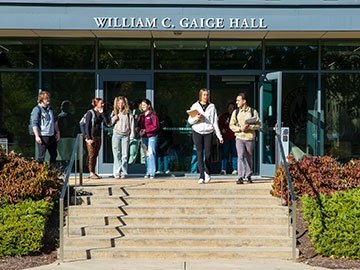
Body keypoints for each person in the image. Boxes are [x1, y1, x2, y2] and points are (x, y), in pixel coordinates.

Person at [187, 88, 223, 184]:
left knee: (208, 154)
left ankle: (207, 171)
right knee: (199, 153)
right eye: (204, 95)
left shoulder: (212, 106)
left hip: (208, 131)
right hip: (197, 131)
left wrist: (219, 136)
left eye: (207, 95)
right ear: (200, 96)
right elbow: (190, 121)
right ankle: (201, 175)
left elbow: (215, 122)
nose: (206, 97)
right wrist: (196, 118)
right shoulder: (195, 106)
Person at [229, 92, 261, 184]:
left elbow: (259, 125)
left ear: (244, 101)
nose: (236, 102)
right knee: (240, 156)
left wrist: (250, 127)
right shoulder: (236, 112)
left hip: (250, 138)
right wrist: (240, 129)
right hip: (239, 137)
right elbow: (231, 125)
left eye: (238, 100)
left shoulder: (253, 112)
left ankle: (249, 175)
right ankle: (240, 176)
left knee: (249, 156)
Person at [30, 90, 60, 167]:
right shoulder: (37, 109)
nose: (48, 100)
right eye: (46, 99)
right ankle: (39, 173)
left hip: (51, 135)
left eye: (49, 98)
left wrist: (57, 132)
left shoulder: (51, 109)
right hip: (43, 135)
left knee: (54, 155)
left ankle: (52, 171)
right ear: (41, 100)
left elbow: (55, 121)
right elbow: (34, 123)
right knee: (41, 156)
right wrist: (37, 136)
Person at [111, 96, 135, 179]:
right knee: (116, 154)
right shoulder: (114, 112)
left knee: (124, 155)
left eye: (122, 103)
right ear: (116, 104)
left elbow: (132, 123)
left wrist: (132, 134)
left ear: (125, 104)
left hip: (125, 135)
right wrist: (115, 117)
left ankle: (124, 172)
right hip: (116, 135)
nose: (120, 104)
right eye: (119, 103)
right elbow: (110, 123)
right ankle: (117, 172)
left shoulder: (128, 112)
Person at [84, 97, 108, 179]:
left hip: (98, 136)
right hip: (91, 136)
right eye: (101, 103)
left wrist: (102, 113)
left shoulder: (101, 112)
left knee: (95, 154)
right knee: (91, 154)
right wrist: (88, 137)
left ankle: (93, 171)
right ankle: (91, 172)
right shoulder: (90, 112)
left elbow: (106, 122)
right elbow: (87, 125)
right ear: (96, 104)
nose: (103, 104)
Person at [136, 99, 160, 179]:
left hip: (151, 136)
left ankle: (152, 172)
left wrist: (146, 130)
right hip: (144, 137)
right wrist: (139, 131)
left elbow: (156, 126)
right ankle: (147, 171)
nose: (142, 107)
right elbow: (138, 125)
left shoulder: (153, 115)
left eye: (144, 105)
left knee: (151, 153)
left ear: (148, 106)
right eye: (142, 105)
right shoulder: (141, 115)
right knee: (146, 154)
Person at [218, 102, 237, 175]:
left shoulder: (236, 116)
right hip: (226, 138)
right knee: (225, 154)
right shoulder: (224, 116)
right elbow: (219, 123)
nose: (230, 109)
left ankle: (235, 169)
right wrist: (222, 129)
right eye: (229, 108)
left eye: (232, 108)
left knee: (234, 154)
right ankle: (223, 169)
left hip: (234, 137)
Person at [57, 100, 76, 167]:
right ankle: (68, 167)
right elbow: (73, 126)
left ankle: (64, 166)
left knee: (63, 153)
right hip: (67, 136)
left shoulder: (60, 116)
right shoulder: (68, 116)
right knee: (68, 153)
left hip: (63, 137)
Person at [156, 105, 173, 174]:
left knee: (166, 154)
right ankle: (159, 169)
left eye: (164, 110)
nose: (163, 112)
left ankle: (166, 169)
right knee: (159, 153)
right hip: (159, 138)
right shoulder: (157, 118)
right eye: (162, 110)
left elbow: (171, 129)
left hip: (167, 138)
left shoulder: (168, 119)